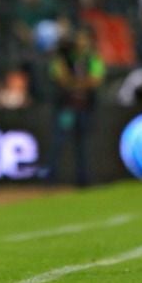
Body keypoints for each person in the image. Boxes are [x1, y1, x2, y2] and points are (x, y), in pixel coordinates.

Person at [40, 26, 105, 186]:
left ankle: (83, 179)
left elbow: (96, 80)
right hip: (66, 107)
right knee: (59, 141)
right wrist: (80, 83)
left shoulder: (92, 58)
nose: (82, 43)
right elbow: (60, 77)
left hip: (85, 107)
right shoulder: (64, 57)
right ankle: (51, 178)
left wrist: (74, 83)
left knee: (83, 144)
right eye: (80, 39)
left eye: (85, 39)